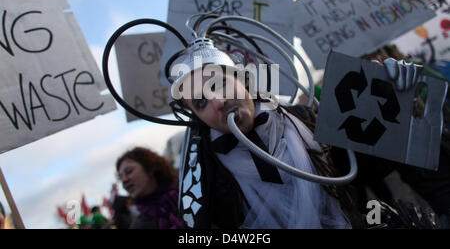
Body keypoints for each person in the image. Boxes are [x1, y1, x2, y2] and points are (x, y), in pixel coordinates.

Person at [170, 40, 364, 229]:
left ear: (243, 80)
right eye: (201, 103)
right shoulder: (204, 172)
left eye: (219, 84)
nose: (218, 102)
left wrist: (388, 91)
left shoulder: (302, 118)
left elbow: (363, 169)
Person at [116, 147, 184, 229]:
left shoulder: (188, 193)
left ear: (149, 167)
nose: (124, 180)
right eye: (120, 178)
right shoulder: (139, 226)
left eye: (129, 171)